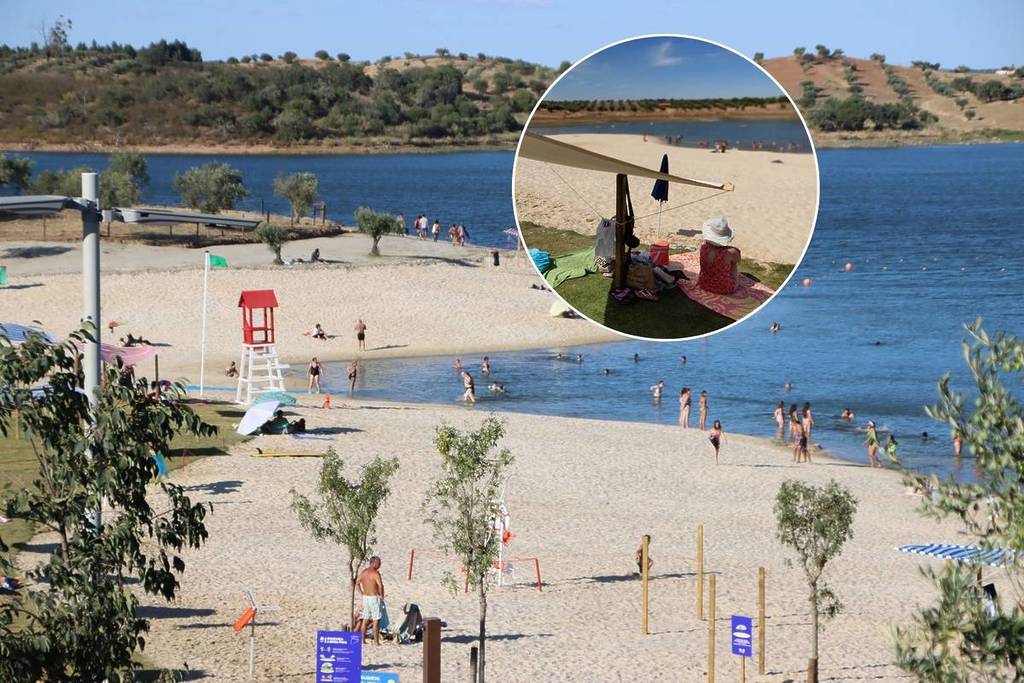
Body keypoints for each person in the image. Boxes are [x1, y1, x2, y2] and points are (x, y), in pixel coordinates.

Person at [697, 217, 741, 295]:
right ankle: (734, 282)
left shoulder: (703, 247)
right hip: (725, 289)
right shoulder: (730, 252)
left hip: (703, 283)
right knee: (734, 264)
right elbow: (738, 260)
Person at [357, 556, 386, 645]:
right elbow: (380, 586)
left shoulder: (363, 572)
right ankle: (376, 642)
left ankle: (362, 640)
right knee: (376, 620)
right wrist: (382, 596)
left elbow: (357, 583)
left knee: (365, 619)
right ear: (374, 563)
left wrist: (362, 593)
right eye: (379, 563)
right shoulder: (376, 574)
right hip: (374, 597)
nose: (380, 565)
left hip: (366, 597)